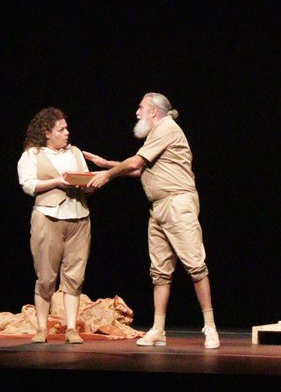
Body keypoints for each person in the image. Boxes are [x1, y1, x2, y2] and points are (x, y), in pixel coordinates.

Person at [85, 93, 219, 349]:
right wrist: (107, 164)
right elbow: (140, 169)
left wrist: (108, 175)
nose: (137, 112)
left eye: (141, 108)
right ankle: (158, 329)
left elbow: (136, 162)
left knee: (195, 265)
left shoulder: (167, 128)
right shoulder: (157, 133)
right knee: (159, 272)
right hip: (158, 207)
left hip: (177, 203)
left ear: (154, 111)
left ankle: (210, 327)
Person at [16, 106, 92, 344]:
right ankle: (42, 328)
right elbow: (28, 184)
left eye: (66, 128)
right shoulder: (33, 154)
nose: (67, 132)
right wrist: (57, 181)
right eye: (61, 129)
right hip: (48, 216)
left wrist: (87, 184)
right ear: (47, 132)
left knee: (74, 276)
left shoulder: (75, 152)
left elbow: (87, 181)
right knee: (46, 276)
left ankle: (71, 329)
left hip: (78, 216)